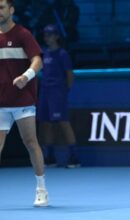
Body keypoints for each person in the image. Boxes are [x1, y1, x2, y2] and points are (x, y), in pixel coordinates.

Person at [0, 0, 48, 206]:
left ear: (11, 10)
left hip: (23, 101)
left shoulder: (23, 34)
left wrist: (26, 76)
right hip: (1, 103)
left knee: (31, 143)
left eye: (1, 7)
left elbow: (37, 60)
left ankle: (41, 189)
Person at [37, 24, 80, 168]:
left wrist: (64, 90)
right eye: (45, 35)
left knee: (63, 122)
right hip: (45, 92)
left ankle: (74, 157)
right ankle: (50, 157)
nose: (47, 37)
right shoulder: (44, 53)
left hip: (57, 92)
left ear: (56, 36)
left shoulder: (62, 54)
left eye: (50, 35)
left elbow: (69, 75)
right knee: (46, 123)